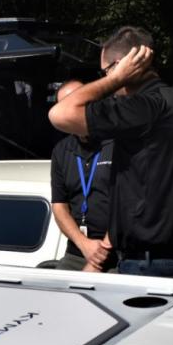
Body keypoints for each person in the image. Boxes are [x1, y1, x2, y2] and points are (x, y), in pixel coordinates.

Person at [48, 26, 173, 279]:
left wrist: (115, 79)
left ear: (124, 65)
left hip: (148, 266)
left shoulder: (144, 107)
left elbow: (60, 114)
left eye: (105, 71)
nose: (105, 78)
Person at [49, 81, 116, 272]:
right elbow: (60, 206)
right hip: (77, 252)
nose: (73, 110)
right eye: (66, 106)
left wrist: (101, 252)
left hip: (116, 253)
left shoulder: (118, 143)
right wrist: (84, 244)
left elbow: (129, 204)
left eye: (79, 103)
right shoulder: (62, 150)